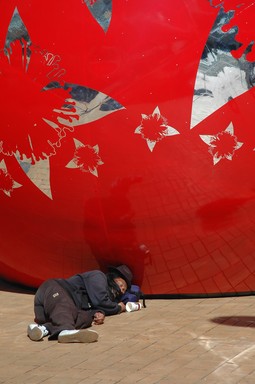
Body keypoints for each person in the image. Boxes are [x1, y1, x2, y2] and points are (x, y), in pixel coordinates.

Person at [27, 264, 133, 343]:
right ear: (114, 277)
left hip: (55, 314)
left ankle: (42, 329)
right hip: (53, 291)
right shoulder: (99, 276)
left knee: (86, 318)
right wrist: (119, 308)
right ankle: (66, 330)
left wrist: (97, 313)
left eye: (124, 290)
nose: (122, 290)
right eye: (122, 284)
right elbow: (100, 301)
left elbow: (94, 304)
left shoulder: (106, 295)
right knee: (64, 303)